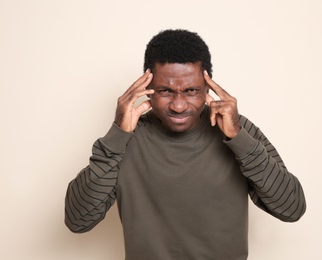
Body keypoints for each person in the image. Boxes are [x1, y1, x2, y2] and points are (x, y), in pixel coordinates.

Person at [65, 29, 306, 260]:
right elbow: (78, 220)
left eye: (191, 90)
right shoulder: (126, 137)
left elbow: (291, 208)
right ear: (146, 89)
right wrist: (117, 134)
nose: (178, 105)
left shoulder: (234, 128)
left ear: (208, 88)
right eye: (165, 91)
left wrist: (239, 138)